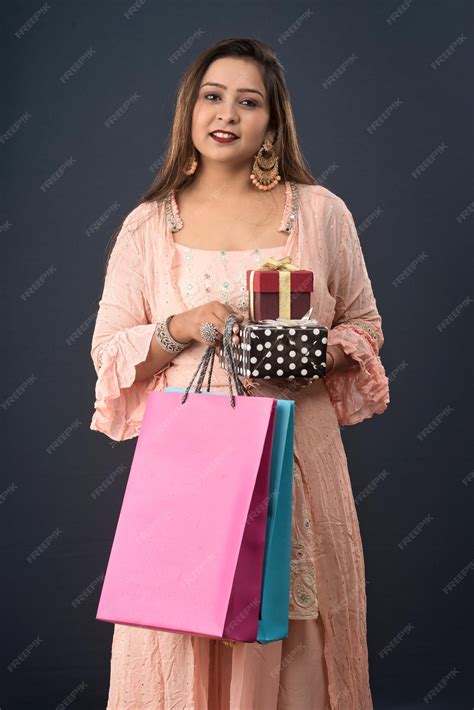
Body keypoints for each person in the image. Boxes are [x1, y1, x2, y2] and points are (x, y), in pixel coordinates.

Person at [90, 37, 389, 710]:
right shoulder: (147, 227)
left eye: (248, 102)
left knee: (289, 631)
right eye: (212, 96)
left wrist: (312, 350)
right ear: (190, 111)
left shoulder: (319, 212)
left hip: (296, 467)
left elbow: (366, 328)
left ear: (271, 125)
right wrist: (184, 326)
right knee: (181, 624)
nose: (227, 113)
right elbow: (108, 350)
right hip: (189, 469)